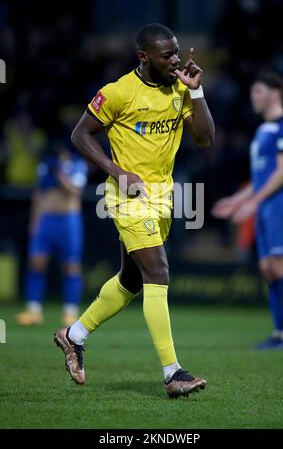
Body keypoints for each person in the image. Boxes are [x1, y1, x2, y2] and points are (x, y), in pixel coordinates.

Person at [54, 23, 215, 398]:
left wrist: (198, 92)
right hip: (126, 196)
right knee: (158, 271)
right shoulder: (118, 92)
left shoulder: (180, 87)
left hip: (162, 194)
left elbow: (205, 139)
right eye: (167, 55)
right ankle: (173, 373)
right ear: (143, 57)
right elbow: (80, 134)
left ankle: (73, 336)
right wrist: (117, 171)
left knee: (132, 279)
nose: (176, 60)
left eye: (176, 52)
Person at [212, 72, 283, 349]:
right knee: (267, 267)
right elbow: (262, 178)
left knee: (279, 263)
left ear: (275, 93)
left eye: (258, 91)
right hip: (265, 205)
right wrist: (237, 200)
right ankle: (280, 333)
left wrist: (252, 202)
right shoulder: (263, 131)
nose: (253, 97)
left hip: (282, 204)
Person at [16, 143, 88, 327]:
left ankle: (70, 312)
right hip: (46, 220)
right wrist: (34, 221)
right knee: (36, 263)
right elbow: (39, 194)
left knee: (71, 266)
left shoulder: (77, 165)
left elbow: (75, 190)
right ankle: (33, 310)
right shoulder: (45, 167)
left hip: (68, 222)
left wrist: (59, 173)